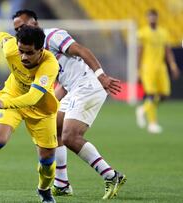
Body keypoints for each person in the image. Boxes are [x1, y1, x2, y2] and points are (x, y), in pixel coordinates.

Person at [12, 9, 126, 200]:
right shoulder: (34, 52)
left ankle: (112, 176)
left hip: (88, 84)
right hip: (74, 88)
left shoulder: (52, 36)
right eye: (17, 29)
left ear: (35, 23)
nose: (20, 31)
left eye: (24, 26)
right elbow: (64, 83)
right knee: (52, 128)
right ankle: (62, 184)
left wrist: (102, 76)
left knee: (70, 135)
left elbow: (82, 51)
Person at [0, 26, 60, 203]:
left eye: (29, 53)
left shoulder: (50, 64)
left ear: (41, 49)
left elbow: (33, 97)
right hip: (12, 96)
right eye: (21, 51)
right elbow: (4, 37)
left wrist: (4, 103)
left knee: (47, 160)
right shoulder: (11, 49)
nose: (23, 57)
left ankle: (44, 190)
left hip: (42, 109)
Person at [135, 9, 180, 134]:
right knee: (151, 94)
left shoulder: (163, 32)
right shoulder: (143, 33)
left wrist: (173, 65)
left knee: (164, 95)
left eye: (154, 17)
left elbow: (168, 51)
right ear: (147, 18)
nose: (152, 19)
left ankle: (142, 109)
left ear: (157, 17)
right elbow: (140, 52)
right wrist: (138, 69)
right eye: (150, 17)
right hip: (147, 67)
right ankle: (152, 124)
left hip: (161, 68)